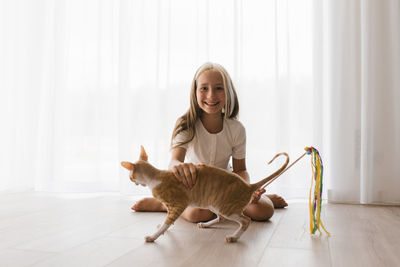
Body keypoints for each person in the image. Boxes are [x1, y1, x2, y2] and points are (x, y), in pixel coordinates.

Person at [132, 62, 287, 222]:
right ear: (195, 92)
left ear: (228, 92)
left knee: (264, 210)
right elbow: (174, 161)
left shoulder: (236, 129)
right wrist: (179, 167)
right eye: (204, 88)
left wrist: (247, 190)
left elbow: (241, 170)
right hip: (195, 190)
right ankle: (164, 204)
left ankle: (260, 199)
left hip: (225, 188)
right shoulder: (186, 124)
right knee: (199, 215)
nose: (211, 95)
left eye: (219, 88)